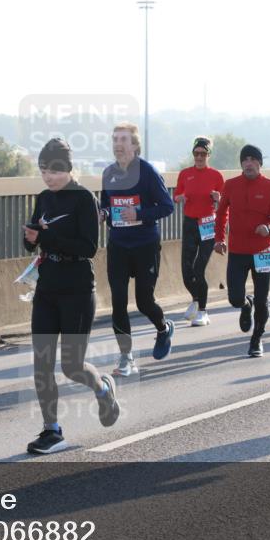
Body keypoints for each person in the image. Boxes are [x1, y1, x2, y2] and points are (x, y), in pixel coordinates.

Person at [22, 138, 120, 454]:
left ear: (67, 168)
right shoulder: (43, 198)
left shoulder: (83, 200)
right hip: (47, 286)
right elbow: (35, 242)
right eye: (43, 171)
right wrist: (30, 239)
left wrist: (48, 236)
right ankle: (52, 430)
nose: (48, 177)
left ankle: (102, 387)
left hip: (77, 288)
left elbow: (88, 247)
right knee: (42, 362)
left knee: (71, 365)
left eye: (53, 170)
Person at [100, 123, 176, 376]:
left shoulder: (147, 171)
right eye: (114, 140)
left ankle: (163, 328)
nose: (117, 144)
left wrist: (140, 213)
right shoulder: (109, 173)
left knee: (144, 302)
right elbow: (107, 206)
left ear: (134, 145)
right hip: (119, 246)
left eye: (123, 139)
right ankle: (126, 357)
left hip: (145, 245)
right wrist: (104, 214)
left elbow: (166, 206)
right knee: (118, 303)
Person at [214, 145, 270, 356]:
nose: (248, 163)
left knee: (262, 300)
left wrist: (268, 228)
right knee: (235, 298)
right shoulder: (231, 185)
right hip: (237, 250)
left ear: (260, 164)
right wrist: (219, 239)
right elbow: (220, 215)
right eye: (245, 159)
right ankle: (246, 305)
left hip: (263, 251)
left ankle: (257, 340)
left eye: (253, 159)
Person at [173, 136, 225, 326]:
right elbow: (176, 194)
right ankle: (195, 300)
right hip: (189, 224)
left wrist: (219, 197)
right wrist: (179, 198)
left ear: (208, 155)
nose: (199, 157)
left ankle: (203, 311)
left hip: (208, 225)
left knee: (198, 268)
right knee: (186, 271)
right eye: (196, 154)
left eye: (203, 154)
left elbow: (225, 202)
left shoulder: (216, 176)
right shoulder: (185, 174)